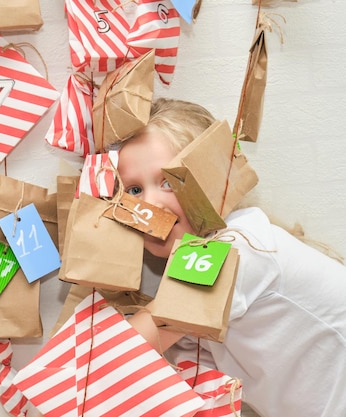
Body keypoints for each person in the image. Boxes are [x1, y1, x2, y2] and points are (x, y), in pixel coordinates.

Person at [116, 97, 346, 417]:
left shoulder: (233, 247)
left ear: (212, 178)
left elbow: (125, 354)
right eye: (133, 191)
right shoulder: (209, 264)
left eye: (168, 182)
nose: (149, 205)